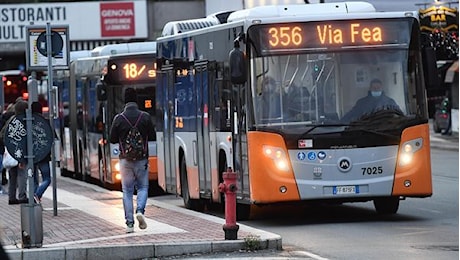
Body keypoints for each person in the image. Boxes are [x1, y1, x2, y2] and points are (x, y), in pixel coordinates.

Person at [109, 88, 154, 233]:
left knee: (127, 191)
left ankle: (129, 223)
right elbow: (152, 136)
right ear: (136, 99)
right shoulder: (145, 117)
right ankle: (140, 210)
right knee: (142, 187)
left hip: (125, 160)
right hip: (142, 159)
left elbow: (112, 139)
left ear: (124, 100)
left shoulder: (119, 118)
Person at [0, 100, 28, 204]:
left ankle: (11, 197)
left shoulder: (11, 120)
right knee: (21, 175)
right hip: (21, 151)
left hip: (11, 151)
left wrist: (8, 144)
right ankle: (22, 196)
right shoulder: (25, 120)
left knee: (12, 176)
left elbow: (3, 135)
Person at [31, 102, 52, 204]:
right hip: (44, 155)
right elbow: (52, 137)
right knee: (47, 179)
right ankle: (37, 195)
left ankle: (35, 201)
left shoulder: (28, 122)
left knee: (34, 180)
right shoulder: (45, 122)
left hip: (31, 155)